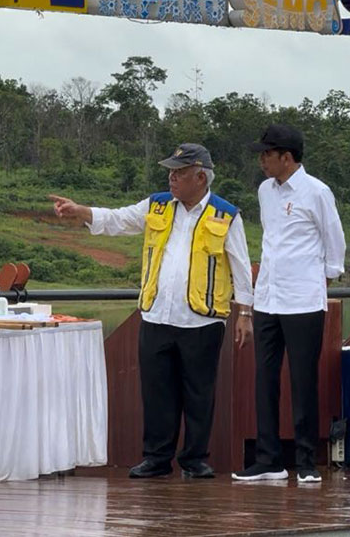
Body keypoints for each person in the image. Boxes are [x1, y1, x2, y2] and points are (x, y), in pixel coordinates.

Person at [49, 143, 254, 479]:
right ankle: (156, 458)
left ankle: (195, 459)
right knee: (157, 391)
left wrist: (245, 314)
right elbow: (119, 219)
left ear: (200, 177)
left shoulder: (225, 214)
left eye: (179, 173)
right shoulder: (158, 204)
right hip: (157, 315)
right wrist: (81, 211)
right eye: (171, 172)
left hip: (201, 318)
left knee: (199, 393)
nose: (172, 178)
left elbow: (241, 267)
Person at [233, 124, 346, 483]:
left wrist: (320, 279)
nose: (262, 160)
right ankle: (269, 460)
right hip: (268, 296)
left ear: (287, 156)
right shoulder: (265, 190)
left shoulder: (317, 192)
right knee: (265, 378)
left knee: (302, 380)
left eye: (268, 154)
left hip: (303, 301)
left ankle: (306, 461)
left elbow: (335, 241)